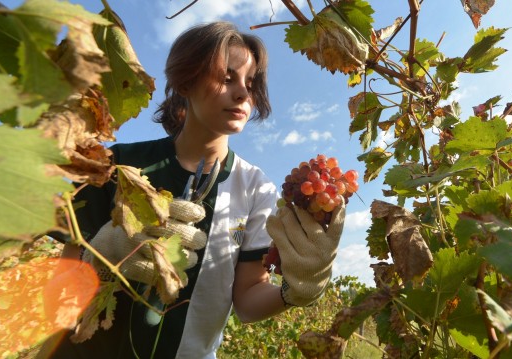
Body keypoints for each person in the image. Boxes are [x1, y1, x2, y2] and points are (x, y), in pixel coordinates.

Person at [47, 21, 345, 359]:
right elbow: (56, 297)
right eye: (227, 77)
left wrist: (296, 290)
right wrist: (102, 256)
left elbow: (247, 302)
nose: (243, 94)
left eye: (250, 83)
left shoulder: (255, 187)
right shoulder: (116, 165)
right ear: (186, 80)